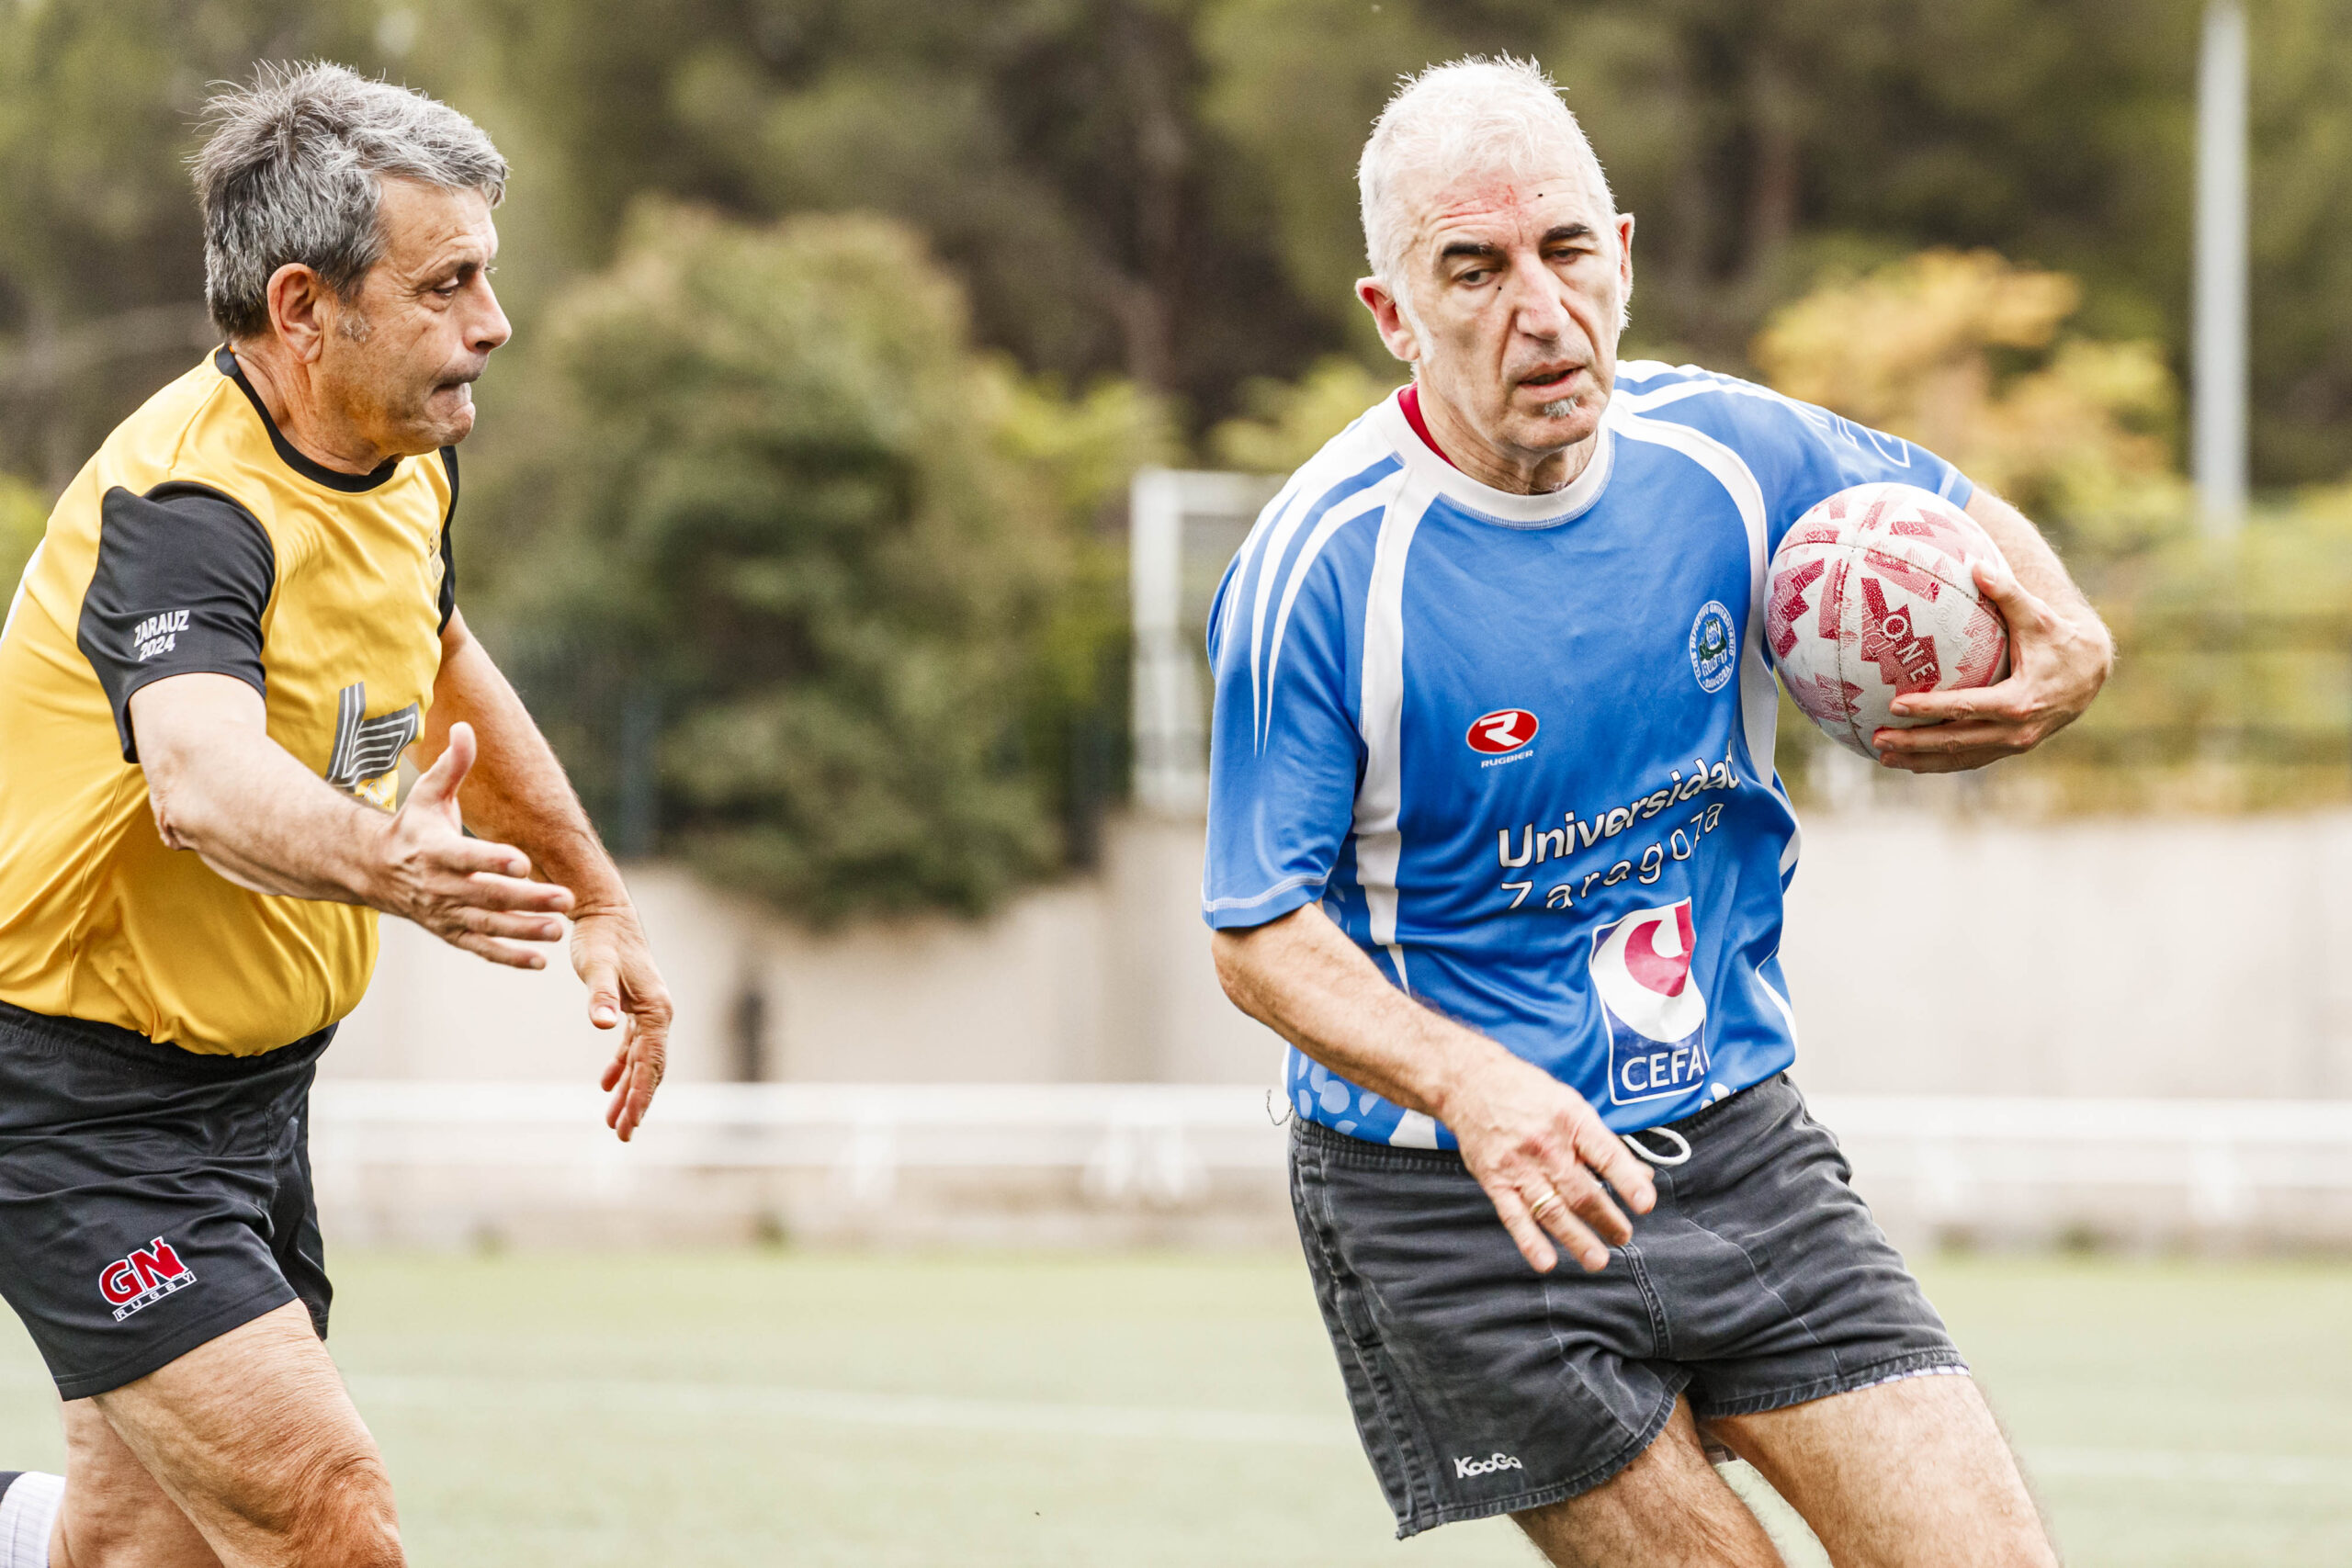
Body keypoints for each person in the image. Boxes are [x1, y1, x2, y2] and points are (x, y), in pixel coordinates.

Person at [1204, 56, 2109, 1567]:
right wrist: (1472, 1088)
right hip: (1454, 1198)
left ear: (1621, 254)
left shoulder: (1731, 455)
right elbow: (1257, 933)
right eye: (1472, 271)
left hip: (1732, 1131)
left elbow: (1952, 499)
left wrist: (2069, 633)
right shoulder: (1323, 572)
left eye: (1565, 251)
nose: (1538, 312)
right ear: (1393, 315)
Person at [0, 62, 672, 1568]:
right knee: (326, 1518)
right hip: (73, 1104)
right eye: (447, 285)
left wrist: (595, 896)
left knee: (141, 1552)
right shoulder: (187, 511)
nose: (490, 323)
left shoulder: (399, 463)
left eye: (486, 277)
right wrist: (391, 868)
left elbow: (438, 659)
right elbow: (197, 774)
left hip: (250, 1097)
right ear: (304, 309)